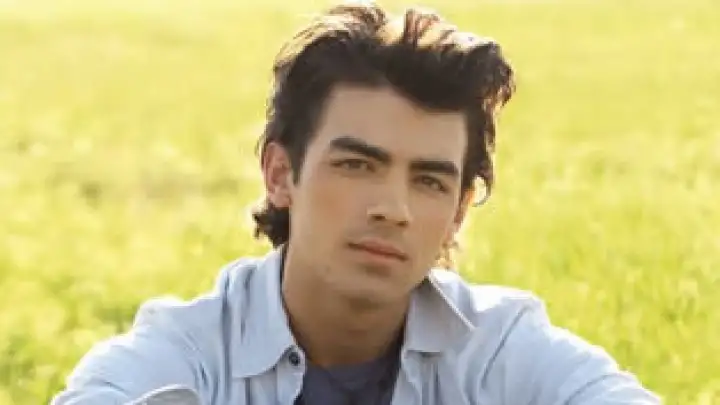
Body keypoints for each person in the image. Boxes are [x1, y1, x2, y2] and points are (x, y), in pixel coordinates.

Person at [51, 2, 661, 404]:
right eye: (357, 166)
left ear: (458, 211)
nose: (392, 208)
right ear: (281, 174)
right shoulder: (186, 355)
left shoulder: (499, 351)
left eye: (429, 181)